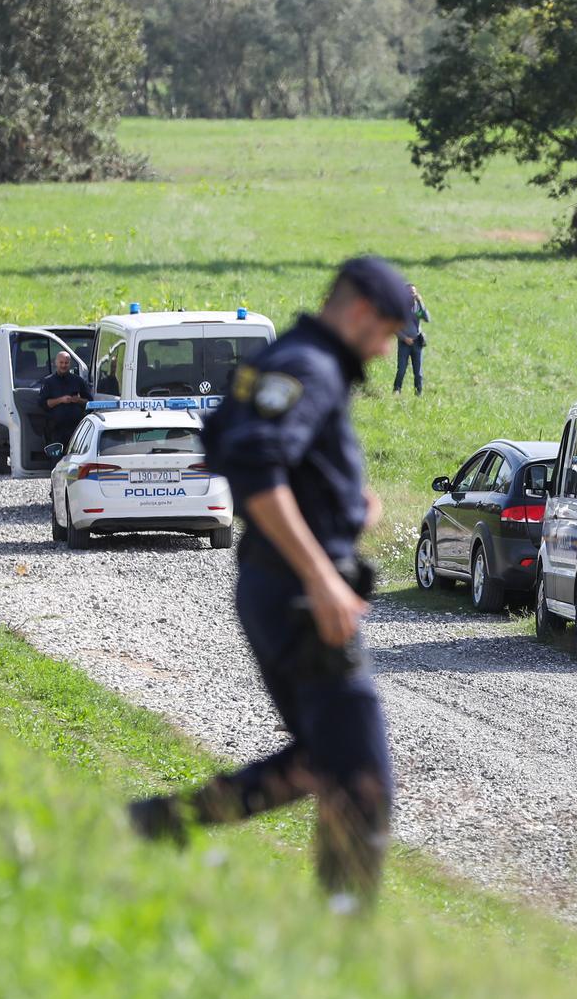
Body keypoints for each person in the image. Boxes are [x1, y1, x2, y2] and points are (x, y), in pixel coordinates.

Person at [127, 256, 409, 911]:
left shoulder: (289, 357)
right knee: (362, 776)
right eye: (388, 331)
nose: (387, 348)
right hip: (298, 594)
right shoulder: (310, 367)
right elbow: (254, 464)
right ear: (362, 312)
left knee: (318, 758)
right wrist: (322, 574)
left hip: (274, 586)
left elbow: (224, 435)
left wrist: (341, 505)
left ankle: (151, 827)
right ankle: (345, 942)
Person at [37, 349, 92, 445]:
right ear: (56, 363)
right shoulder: (48, 382)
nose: (63, 365)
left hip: (76, 430)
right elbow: (43, 404)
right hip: (55, 431)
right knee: (56, 459)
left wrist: (78, 400)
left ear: (69, 363)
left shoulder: (78, 380)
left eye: (66, 363)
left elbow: (90, 403)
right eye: (61, 362)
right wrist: (61, 400)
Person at [392, 282, 429, 395]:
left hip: (417, 343)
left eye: (413, 292)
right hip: (404, 343)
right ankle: (396, 390)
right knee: (402, 370)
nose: (411, 294)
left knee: (418, 372)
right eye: (409, 292)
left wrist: (421, 302)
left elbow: (427, 318)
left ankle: (418, 393)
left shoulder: (418, 307)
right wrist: (404, 338)